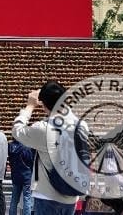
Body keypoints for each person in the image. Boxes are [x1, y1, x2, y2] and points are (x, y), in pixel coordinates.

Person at [12, 82, 82, 215]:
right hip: (71, 195)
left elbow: (17, 130)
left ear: (44, 104)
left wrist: (30, 105)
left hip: (48, 195)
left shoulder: (44, 129)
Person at [7, 136, 36, 215]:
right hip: (26, 176)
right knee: (27, 200)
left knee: (14, 200)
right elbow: (31, 161)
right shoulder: (27, 146)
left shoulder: (10, 146)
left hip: (15, 176)